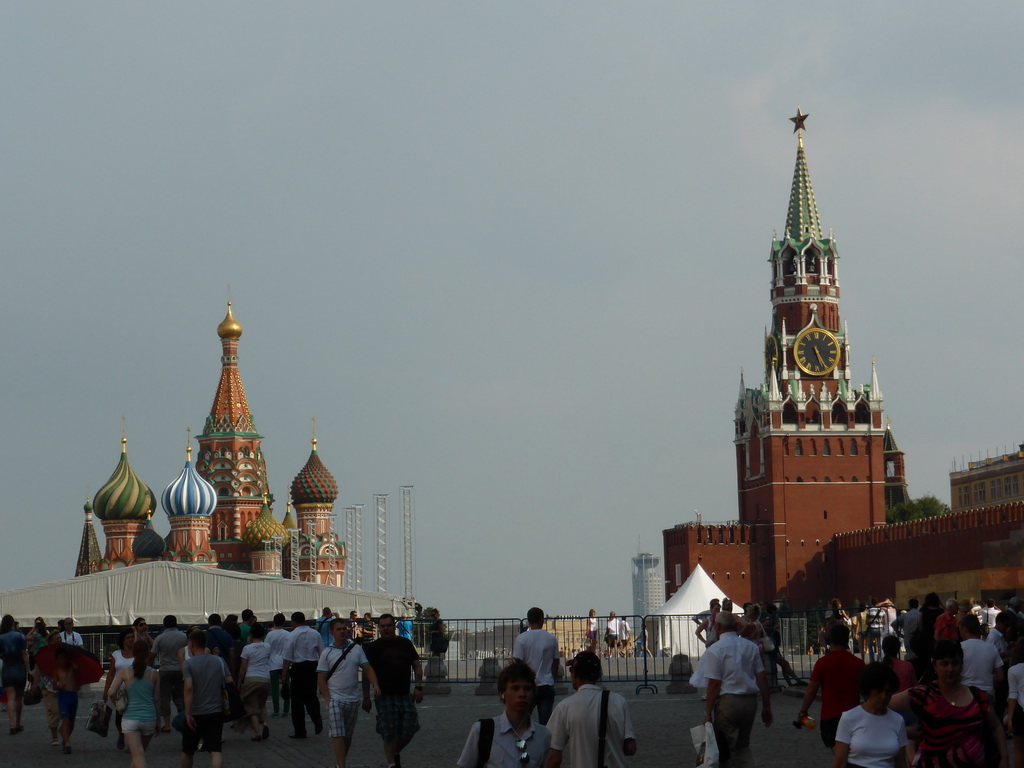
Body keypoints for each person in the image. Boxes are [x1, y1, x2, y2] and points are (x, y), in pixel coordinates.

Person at [890, 639, 1007, 768]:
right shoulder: (924, 694)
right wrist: (903, 731)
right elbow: (877, 708)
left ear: (962, 665)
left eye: (955, 663)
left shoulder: (977, 696)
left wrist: (1004, 758)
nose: (950, 669)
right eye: (944, 664)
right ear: (935, 666)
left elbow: (996, 727)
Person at [699, 611, 771, 767]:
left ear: (717, 626)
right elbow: (762, 678)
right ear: (735, 626)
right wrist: (766, 706)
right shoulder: (751, 647)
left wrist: (707, 712)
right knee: (743, 746)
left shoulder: (716, 649)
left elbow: (714, 684)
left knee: (726, 749)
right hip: (750, 702)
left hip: (728, 702)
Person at [547, 651, 635, 768]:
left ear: (573, 673)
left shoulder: (565, 707)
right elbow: (630, 748)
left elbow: (554, 758)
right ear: (598, 675)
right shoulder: (619, 701)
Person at [458, 660, 551, 767]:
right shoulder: (482, 731)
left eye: (527, 688)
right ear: (502, 693)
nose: (522, 694)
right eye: (515, 688)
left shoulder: (544, 735)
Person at [362, 612, 423, 768]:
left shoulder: (405, 644)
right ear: (379, 628)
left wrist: (418, 686)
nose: (386, 629)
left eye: (389, 625)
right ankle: (391, 764)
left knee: (411, 726)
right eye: (382, 626)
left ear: (394, 626)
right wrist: (366, 697)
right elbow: (366, 673)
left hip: (404, 693)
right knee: (388, 732)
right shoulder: (373, 648)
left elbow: (417, 665)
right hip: (384, 695)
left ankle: (394, 753)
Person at [317, 618, 380, 768]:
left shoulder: (356, 649)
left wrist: (375, 685)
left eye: (344, 628)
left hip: (352, 698)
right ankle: (342, 765)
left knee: (347, 735)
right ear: (332, 632)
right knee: (338, 733)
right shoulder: (327, 652)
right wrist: (328, 699)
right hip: (335, 698)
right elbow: (321, 678)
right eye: (339, 629)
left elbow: (367, 668)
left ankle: (339, 763)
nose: (342, 631)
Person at [799, 623, 865, 751]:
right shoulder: (858, 663)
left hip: (830, 716)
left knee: (838, 754)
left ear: (830, 640)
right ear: (847, 641)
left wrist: (803, 711)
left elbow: (812, 689)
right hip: (854, 715)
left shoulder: (822, 663)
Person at [831, 662, 907, 768]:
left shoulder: (898, 720)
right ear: (868, 690)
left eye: (888, 692)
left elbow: (901, 762)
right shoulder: (849, 718)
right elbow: (839, 762)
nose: (884, 696)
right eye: (879, 691)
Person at [181, 630, 232, 768]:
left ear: (191, 644)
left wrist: (187, 712)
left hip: (196, 712)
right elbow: (229, 680)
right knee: (215, 750)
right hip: (216, 711)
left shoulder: (188, 664)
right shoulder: (219, 661)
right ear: (206, 644)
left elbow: (189, 688)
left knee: (188, 751)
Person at [106, 639, 160, 768]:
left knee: (138, 756)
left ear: (133, 653)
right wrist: (158, 721)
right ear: (147, 654)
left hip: (130, 718)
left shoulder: (125, 672)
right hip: (149, 718)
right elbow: (157, 700)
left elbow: (111, 692)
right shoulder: (154, 674)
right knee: (139, 754)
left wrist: (119, 706)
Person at [512, 607, 560, 726]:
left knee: (522, 720)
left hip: (528, 685)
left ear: (528, 620)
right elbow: (555, 661)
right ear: (541, 620)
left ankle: (522, 743)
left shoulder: (521, 639)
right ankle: (544, 743)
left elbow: (517, 662)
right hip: (546, 684)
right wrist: (552, 677)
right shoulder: (551, 638)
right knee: (546, 723)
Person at [282, 611, 324, 738]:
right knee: (311, 695)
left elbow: (287, 657)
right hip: (313, 666)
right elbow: (322, 652)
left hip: (298, 668)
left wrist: (284, 675)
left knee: (297, 701)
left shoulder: (292, 635)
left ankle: (300, 731)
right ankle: (316, 716)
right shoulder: (315, 633)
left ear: (293, 622)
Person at [148, 615, 188, 733]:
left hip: (165, 669)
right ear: (176, 623)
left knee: (164, 697)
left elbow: (152, 654)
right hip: (180, 669)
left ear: (164, 624)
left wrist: (149, 668)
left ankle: (167, 725)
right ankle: (183, 718)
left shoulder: (160, 638)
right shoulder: (184, 636)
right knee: (180, 696)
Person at [237, 622, 271, 741]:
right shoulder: (267, 646)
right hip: (265, 679)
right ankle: (265, 723)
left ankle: (257, 733)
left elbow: (243, 667)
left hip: (251, 678)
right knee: (262, 704)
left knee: (252, 706)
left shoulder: (247, 648)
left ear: (251, 634)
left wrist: (239, 682)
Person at [104, 628, 137, 750]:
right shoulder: (116, 654)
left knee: (132, 717)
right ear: (123, 640)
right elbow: (111, 673)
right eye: (128, 637)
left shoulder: (138, 654)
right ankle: (121, 734)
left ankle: (130, 741)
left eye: (132, 637)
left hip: (134, 691)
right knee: (120, 717)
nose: (131, 639)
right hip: (118, 692)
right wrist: (106, 690)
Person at [30, 631, 62, 746]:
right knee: (53, 711)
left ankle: (63, 728)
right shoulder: (43, 653)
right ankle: (54, 736)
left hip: (62, 685)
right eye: (56, 639)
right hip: (47, 685)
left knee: (64, 711)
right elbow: (38, 668)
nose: (59, 640)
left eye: (60, 638)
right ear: (49, 641)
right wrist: (35, 683)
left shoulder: (63, 652)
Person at [0, 614, 29, 735]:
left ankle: (11, 724)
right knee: (18, 698)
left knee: (10, 697)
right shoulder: (20, 636)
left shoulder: (1, 637)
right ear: (12, 623)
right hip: (19, 669)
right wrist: (28, 670)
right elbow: (24, 655)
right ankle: (18, 723)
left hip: (7, 669)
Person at [53, 645, 80, 754]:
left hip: (73, 695)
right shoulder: (56, 671)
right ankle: (67, 743)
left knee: (72, 721)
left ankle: (65, 737)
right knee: (65, 719)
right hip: (63, 696)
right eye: (60, 658)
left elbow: (77, 668)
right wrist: (60, 686)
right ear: (57, 660)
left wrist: (71, 660)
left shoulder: (72, 668)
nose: (62, 660)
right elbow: (54, 685)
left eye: (64, 658)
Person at [1003, 639, 1024, 768]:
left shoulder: (1013, 670)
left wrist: (1009, 718)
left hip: (1020, 712)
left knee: (1019, 750)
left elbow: (1013, 695)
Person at [266, 612, 291, 720]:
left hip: (272, 663)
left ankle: (276, 711)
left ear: (273, 621)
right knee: (286, 687)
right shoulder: (287, 634)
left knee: (275, 688)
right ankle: (286, 710)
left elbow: (267, 649)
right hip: (285, 662)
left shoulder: (270, 634)